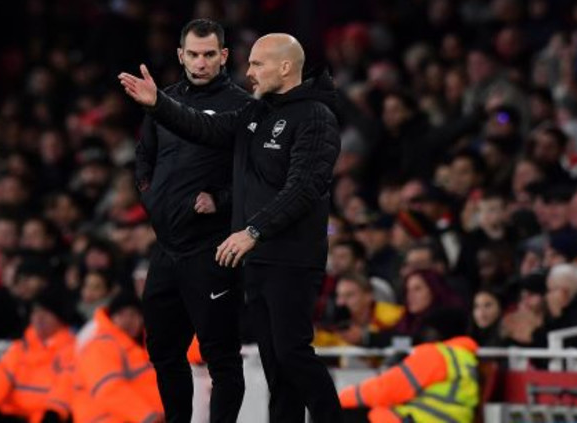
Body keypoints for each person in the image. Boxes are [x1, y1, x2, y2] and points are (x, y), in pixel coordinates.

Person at [119, 32, 343, 422]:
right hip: (256, 259)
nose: (249, 71)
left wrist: (253, 230)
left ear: (285, 67)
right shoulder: (256, 112)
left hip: (291, 257)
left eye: (257, 63)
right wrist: (159, 104)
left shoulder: (316, 116)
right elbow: (205, 128)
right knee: (276, 364)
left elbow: (304, 187)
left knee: (292, 353)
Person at [134, 18, 250, 423]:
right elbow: (144, 156)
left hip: (212, 249)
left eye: (209, 54)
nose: (201, 63)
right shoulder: (161, 100)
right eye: (194, 55)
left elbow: (257, 175)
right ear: (181, 55)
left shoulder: (241, 106)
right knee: (164, 352)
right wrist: (149, 195)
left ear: (224, 56)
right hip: (167, 249)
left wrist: (221, 200)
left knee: (222, 357)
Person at [339, 309, 479, 423]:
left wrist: (338, 399)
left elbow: (386, 389)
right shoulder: (465, 359)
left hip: (417, 420)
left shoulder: (436, 354)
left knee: (346, 414)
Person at [45, 291, 164, 423]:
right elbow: (109, 389)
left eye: (134, 314)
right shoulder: (100, 346)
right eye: (121, 314)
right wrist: (147, 417)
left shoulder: (143, 344)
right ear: (112, 317)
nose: (128, 320)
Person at [0, 288, 74, 423]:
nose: (39, 317)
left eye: (46, 312)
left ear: (60, 318)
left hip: (47, 417)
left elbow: (64, 389)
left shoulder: (71, 351)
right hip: (15, 416)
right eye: (35, 311)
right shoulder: (20, 349)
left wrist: (54, 413)